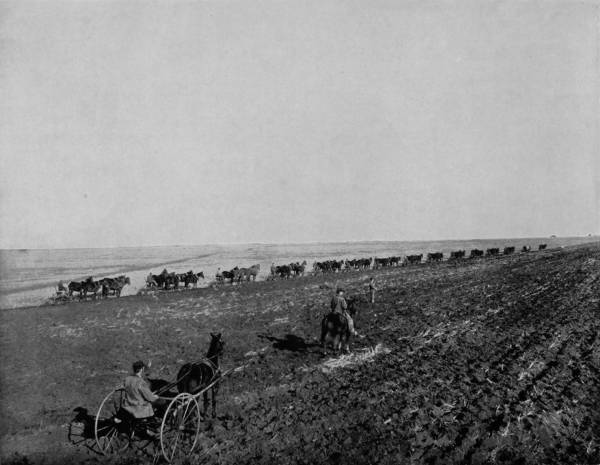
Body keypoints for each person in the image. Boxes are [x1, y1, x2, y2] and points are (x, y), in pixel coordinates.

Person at [122, 361, 162, 436]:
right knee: (161, 402)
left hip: (128, 405)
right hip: (139, 407)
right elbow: (150, 398)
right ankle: (155, 424)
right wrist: (155, 397)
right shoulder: (141, 382)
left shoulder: (127, 379)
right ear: (142, 369)